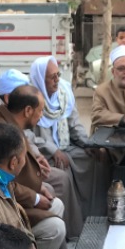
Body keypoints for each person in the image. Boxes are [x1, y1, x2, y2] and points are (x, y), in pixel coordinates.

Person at [0, 84, 76, 242]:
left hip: (13, 196)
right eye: (40, 110)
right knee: (55, 226)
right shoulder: (1, 130)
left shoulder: (9, 120)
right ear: (27, 111)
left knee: (56, 203)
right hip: (2, 206)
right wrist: (35, 198)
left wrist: (38, 187)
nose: (41, 115)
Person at [30, 55, 111, 217]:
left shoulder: (64, 92)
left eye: (58, 75)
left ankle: (95, 214)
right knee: (62, 170)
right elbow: (28, 138)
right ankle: (72, 225)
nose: (57, 80)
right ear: (40, 79)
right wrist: (53, 150)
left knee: (98, 159)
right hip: (44, 154)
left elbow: (75, 125)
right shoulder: (31, 99)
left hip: (68, 146)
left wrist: (89, 144)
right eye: (52, 77)